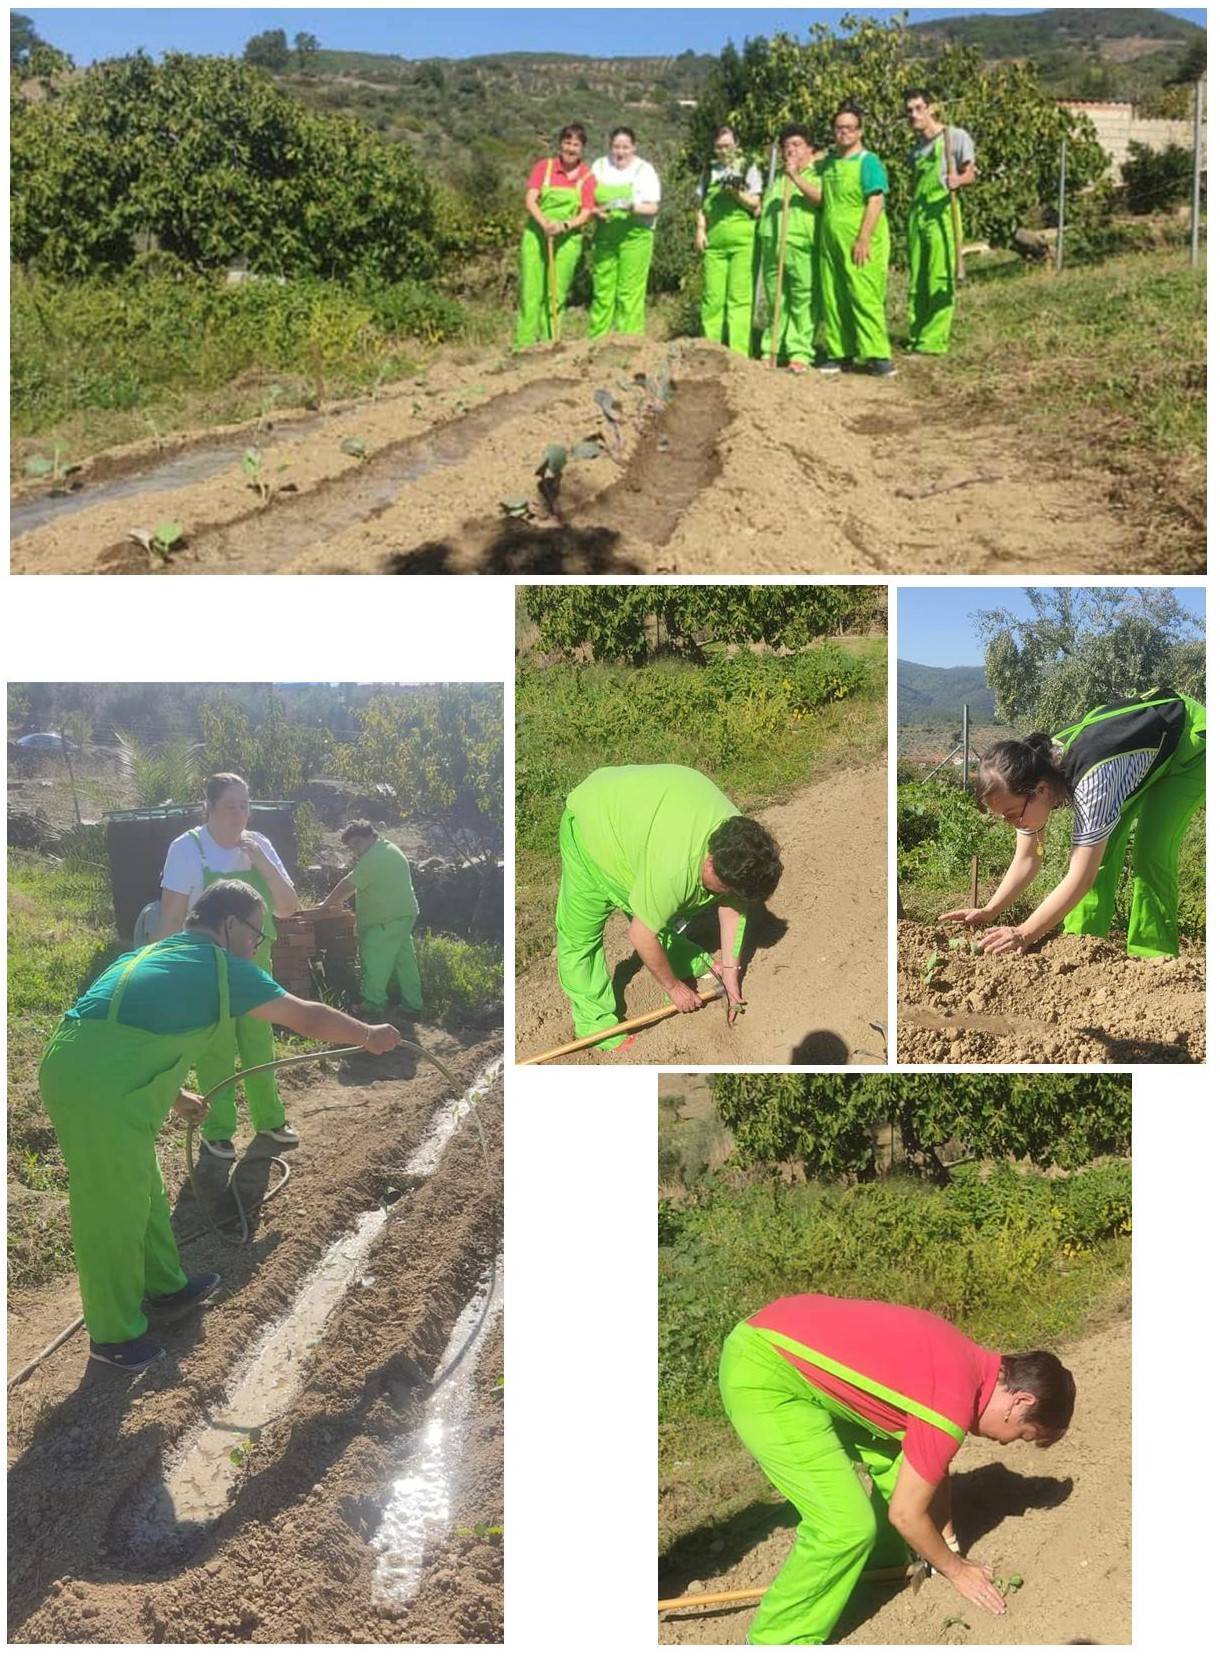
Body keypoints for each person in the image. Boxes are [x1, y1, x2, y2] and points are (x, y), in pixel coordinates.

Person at [39, 879, 401, 1373]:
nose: (257, 945)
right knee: (111, 1208)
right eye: (256, 933)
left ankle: (164, 1287)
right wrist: (367, 1033)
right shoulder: (219, 967)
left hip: (99, 1072)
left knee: (142, 1187)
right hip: (97, 1085)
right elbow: (306, 1017)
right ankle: (112, 1334)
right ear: (229, 924)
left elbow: (131, 1034)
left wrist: (177, 1096)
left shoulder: (165, 953)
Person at [720, 1293, 1076, 1645]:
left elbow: (931, 1466)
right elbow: (906, 1514)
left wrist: (947, 1543)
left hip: (787, 1350)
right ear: (1021, 1401)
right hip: (764, 1368)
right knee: (844, 1527)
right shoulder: (950, 1402)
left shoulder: (969, 1365)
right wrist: (956, 1570)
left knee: (899, 1460)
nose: (1009, 1442)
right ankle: (774, 1640)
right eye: (1024, 1435)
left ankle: (878, 1567)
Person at [942, 688, 1206, 959]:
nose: (1012, 824)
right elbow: (1028, 857)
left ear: (1041, 790)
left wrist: (1024, 932)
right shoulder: (1030, 769)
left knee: (1151, 852)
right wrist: (990, 910)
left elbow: (1082, 876)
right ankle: (1081, 945)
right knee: (1101, 854)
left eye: (1012, 815)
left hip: (1188, 743)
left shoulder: (1094, 781)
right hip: (1134, 756)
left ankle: (1154, 958)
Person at [555, 764, 782, 1048]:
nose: (723, 896)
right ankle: (594, 1025)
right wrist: (674, 989)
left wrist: (731, 970)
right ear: (710, 862)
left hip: (636, 827)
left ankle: (681, 958)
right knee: (580, 938)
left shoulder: (740, 841)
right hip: (591, 826)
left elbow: (733, 903)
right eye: (722, 888)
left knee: (656, 907)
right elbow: (640, 934)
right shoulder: (674, 870)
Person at [154, 772, 299, 1162]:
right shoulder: (188, 849)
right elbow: (170, 916)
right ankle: (218, 1131)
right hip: (207, 963)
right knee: (215, 1047)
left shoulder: (260, 845)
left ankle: (270, 1119)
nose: (239, 816)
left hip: (254, 960)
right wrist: (161, 968)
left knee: (258, 1042)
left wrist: (264, 863)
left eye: (245, 805)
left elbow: (288, 907)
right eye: (229, 806)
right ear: (209, 808)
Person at [815, 102, 896, 377]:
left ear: (859, 131)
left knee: (864, 294)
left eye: (849, 128)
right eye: (839, 128)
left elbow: (875, 200)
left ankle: (877, 355)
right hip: (831, 240)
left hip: (861, 238)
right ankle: (840, 352)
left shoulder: (868, 162)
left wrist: (863, 238)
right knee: (834, 295)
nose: (844, 133)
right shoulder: (829, 163)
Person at [316, 821, 423, 1022]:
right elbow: (355, 877)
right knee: (404, 962)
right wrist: (334, 902)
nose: (355, 851)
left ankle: (372, 1006)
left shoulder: (377, 857)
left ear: (371, 836)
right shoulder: (385, 849)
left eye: (357, 844)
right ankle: (413, 1006)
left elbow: (348, 884)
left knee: (375, 961)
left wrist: (325, 906)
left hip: (385, 920)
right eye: (351, 848)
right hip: (402, 915)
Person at [903, 89, 977, 355]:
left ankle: (933, 342)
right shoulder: (916, 149)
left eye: (919, 108)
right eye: (909, 111)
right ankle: (918, 335)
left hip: (942, 214)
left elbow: (971, 173)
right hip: (918, 215)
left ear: (931, 108)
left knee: (939, 276)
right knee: (918, 278)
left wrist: (959, 179)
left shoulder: (954, 137)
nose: (914, 115)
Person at [514, 123, 597, 348]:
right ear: (560, 144)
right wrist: (544, 223)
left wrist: (565, 225)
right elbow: (531, 199)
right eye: (567, 143)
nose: (571, 148)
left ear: (583, 148)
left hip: (567, 239)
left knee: (556, 293)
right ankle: (524, 345)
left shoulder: (588, 177)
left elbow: (587, 212)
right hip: (537, 234)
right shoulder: (544, 167)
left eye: (576, 144)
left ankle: (549, 344)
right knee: (531, 291)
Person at [758, 124, 822, 373]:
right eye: (787, 146)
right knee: (776, 300)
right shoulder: (778, 178)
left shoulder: (816, 174)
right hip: (774, 245)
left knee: (802, 300)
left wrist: (797, 176)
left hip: (801, 245)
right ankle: (772, 348)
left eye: (797, 145)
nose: (791, 151)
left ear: (809, 149)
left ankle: (799, 352)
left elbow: (820, 199)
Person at [695, 124, 762, 356]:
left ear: (737, 144)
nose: (724, 151)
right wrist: (700, 230)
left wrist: (736, 193)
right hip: (714, 242)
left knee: (739, 298)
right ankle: (710, 350)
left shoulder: (747, 167)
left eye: (728, 146)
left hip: (743, 241)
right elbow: (701, 206)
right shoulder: (708, 172)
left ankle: (738, 353)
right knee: (712, 298)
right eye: (719, 146)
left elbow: (756, 204)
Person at [588, 127, 662, 338]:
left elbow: (653, 207)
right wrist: (596, 212)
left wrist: (631, 207)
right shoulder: (599, 166)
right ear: (610, 146)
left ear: (634, 147)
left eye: (625, 147)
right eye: (616, 147)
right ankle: (595, 344)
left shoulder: (644, 170)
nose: (620, 152)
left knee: (629, 294)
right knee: (603, 292)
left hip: (636, 238)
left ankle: (629, 345)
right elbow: (588, 202)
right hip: (605, 238)